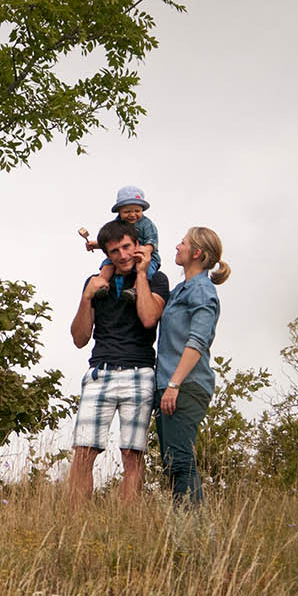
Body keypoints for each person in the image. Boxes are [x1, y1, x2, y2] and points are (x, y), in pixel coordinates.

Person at [67, 219, 170, 503]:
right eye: (115, 251)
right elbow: (79, 338)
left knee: (132, 455)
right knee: (84, 452)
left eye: (127, 247)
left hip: (140, 372)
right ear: (107, 254)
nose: (122, 255)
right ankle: (74, 524)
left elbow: (149, 318)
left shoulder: (156, 279)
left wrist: (140, 274)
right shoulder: (97, 282)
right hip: (100, 371)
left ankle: (127, 525)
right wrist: (87, 298)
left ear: (138, 246)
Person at [150, 226, 231, 507]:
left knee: (180, 462)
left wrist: (174, 384)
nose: (177, 246)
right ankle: (185, 532)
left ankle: (196, 534)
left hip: (185, 386)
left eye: (182, 243)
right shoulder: (181, 290)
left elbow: (198, 341)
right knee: (173, 463)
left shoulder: (202, 290)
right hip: (169, 387)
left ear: (196, 253)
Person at [81, 186, 160, 300]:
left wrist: (145, 250)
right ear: (119, 211)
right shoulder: (117, 223)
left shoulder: (147, 224)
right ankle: (102, 283)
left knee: (145, 268)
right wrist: (96, 244)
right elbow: (112, 242)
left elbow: (151, 241)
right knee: (107, 264)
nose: (132, 215)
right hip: (122, 254)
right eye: (127, 211)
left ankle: (135, 289)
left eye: (137, 211)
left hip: (146, 255)